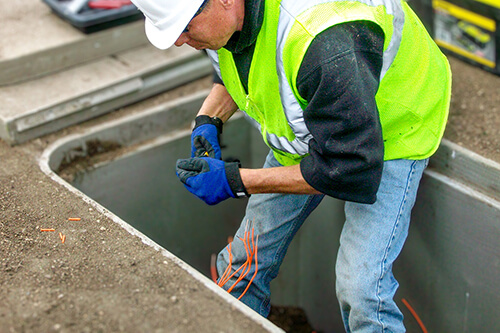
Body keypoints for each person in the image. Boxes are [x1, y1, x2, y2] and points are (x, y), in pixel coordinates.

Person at [130, 0, 451, 331]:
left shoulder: (322, 44)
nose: (180, 41)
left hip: (391, 124)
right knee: (242, 263)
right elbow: (231, 60)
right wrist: (207, 119)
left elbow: (348, 169)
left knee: (362, 290)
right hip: (323, 113)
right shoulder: (222, 21)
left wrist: (236, 180)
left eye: (184, 28)